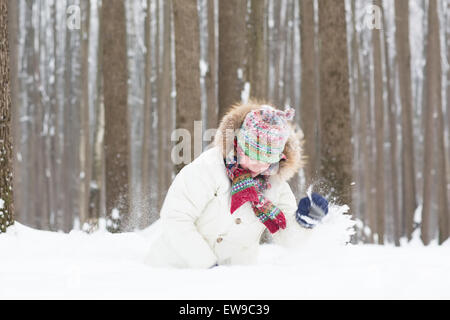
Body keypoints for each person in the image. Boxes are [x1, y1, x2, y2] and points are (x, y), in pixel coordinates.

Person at [145, 100, 329, 269]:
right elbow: (175, 218)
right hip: (174, 272)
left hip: (233, 284)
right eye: (251, 153)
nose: (257, 164)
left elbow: (289, 239)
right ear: (238, 145)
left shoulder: (276, 187)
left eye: (267, 158)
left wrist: (304, 223)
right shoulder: (208, 168)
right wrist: (208, 267)